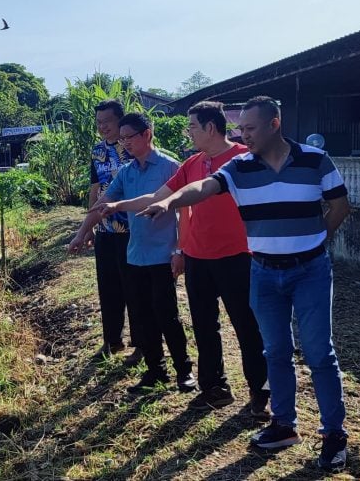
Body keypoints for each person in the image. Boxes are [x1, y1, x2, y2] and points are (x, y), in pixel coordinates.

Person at [134, 96, 352, 471]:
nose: (243, 135)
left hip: (310, 271)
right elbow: (202, 188)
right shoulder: (240, 167)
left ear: (275, 124)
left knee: (319, 353)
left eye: (250, 129)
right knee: (275, 351)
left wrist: (315, 241)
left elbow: (340, 206)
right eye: (241, 129)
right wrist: (170, 203)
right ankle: (284, 424)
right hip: (264, 271)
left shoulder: (316, 161)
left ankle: (334, 434)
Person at [98, 101, 269, 417]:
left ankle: (260, 392)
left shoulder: (244, 159)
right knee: (205, 327)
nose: (186, 132)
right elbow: (157, 197)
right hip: (198, 257)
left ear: (210, 128)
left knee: (247, 326)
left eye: (191, 127)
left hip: (237, 257)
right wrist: (118, 205)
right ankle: (214, 388)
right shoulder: (191, 164)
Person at [70, 112, 196, 392]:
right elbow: (105, 201)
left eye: (130, 137)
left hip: (163, 254)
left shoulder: (170, 167)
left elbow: (185, 211)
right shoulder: (127, 171)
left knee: (166, 314)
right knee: (142, 314)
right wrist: (82, 232)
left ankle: (184, 371)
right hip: (136, 254)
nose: (125, 142)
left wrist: (180, 249)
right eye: (122, 138)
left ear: (147, 134)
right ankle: (155, 371)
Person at [82, 99, 139, 362]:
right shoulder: (96, 151)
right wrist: (88, 227)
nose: (103, 127)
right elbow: (95, 189)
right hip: (105, 228)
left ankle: (141, 344)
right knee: (108, 288)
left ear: (120, 119)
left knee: (134, 288)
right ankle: (112, 340)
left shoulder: (133, 148)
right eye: (99, 123)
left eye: (107, 121)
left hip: (133, 228)